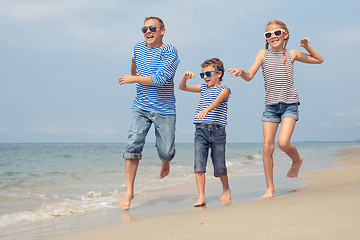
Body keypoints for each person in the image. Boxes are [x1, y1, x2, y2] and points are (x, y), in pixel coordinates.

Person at [227, 20, 324, 198]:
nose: (273, 37)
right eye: (268, 34)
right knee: (267, 147)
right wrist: (242, 72)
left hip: (290, 104)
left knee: (283, 143)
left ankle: (297, 159)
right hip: (271, 106)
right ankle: (270, 188)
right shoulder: (263, 54)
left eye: (277, 33)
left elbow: (319, 60)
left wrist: (307, 46)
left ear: (285, 34)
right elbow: (249, 76)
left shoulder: (292, 53)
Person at [118, 17, 180, 210]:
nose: (148, 31)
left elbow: (161, 79)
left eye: (152, 28)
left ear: (162, 31)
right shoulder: (138, 47)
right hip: (141, 106)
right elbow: (134, 66)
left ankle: (165, 160)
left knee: (166, 150)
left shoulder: (170, 51)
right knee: (133, 144)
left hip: (165, 109)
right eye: (144, 28)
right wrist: (133, 76)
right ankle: (129, 192)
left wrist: (133, 78)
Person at [179, 58, 231, 207]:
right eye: (203, 75)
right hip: (200, 130)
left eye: (208, 73)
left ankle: (226, 189)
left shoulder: (225, 89)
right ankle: (201, 196)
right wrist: (185, 77)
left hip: (218, 131)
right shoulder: (203, 88)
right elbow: (183, 87)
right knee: (199, 164)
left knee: (219, 165)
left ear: (219, 74)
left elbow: (217, 101)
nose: (205, 77)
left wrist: (206, 110)